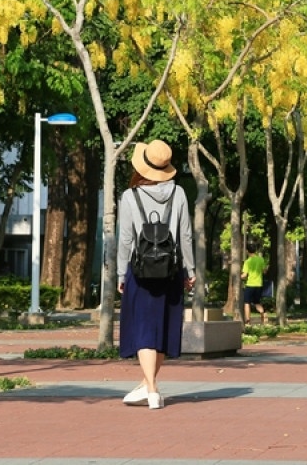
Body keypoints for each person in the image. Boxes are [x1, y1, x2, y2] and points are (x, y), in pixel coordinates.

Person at [117, 139, 195, 410]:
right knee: (162, 328)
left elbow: (125, 239)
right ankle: (146, 385)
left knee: (143, 329)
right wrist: (190, 269)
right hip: (171, 270)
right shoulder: (179, 193)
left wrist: (120, 273)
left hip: (140, 271)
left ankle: (151, 389)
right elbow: (185, 235)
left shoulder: (130, 196)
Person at [241, 243, 268, 325]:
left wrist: (239, 276)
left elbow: (244, 275)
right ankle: (263, 313)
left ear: (247, 251)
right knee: (257, 302)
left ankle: (248, 321)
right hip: (259, 284)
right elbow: (264, 271)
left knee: (247, 303)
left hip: (250, 284)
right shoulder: (261, 259)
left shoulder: (247, 262)